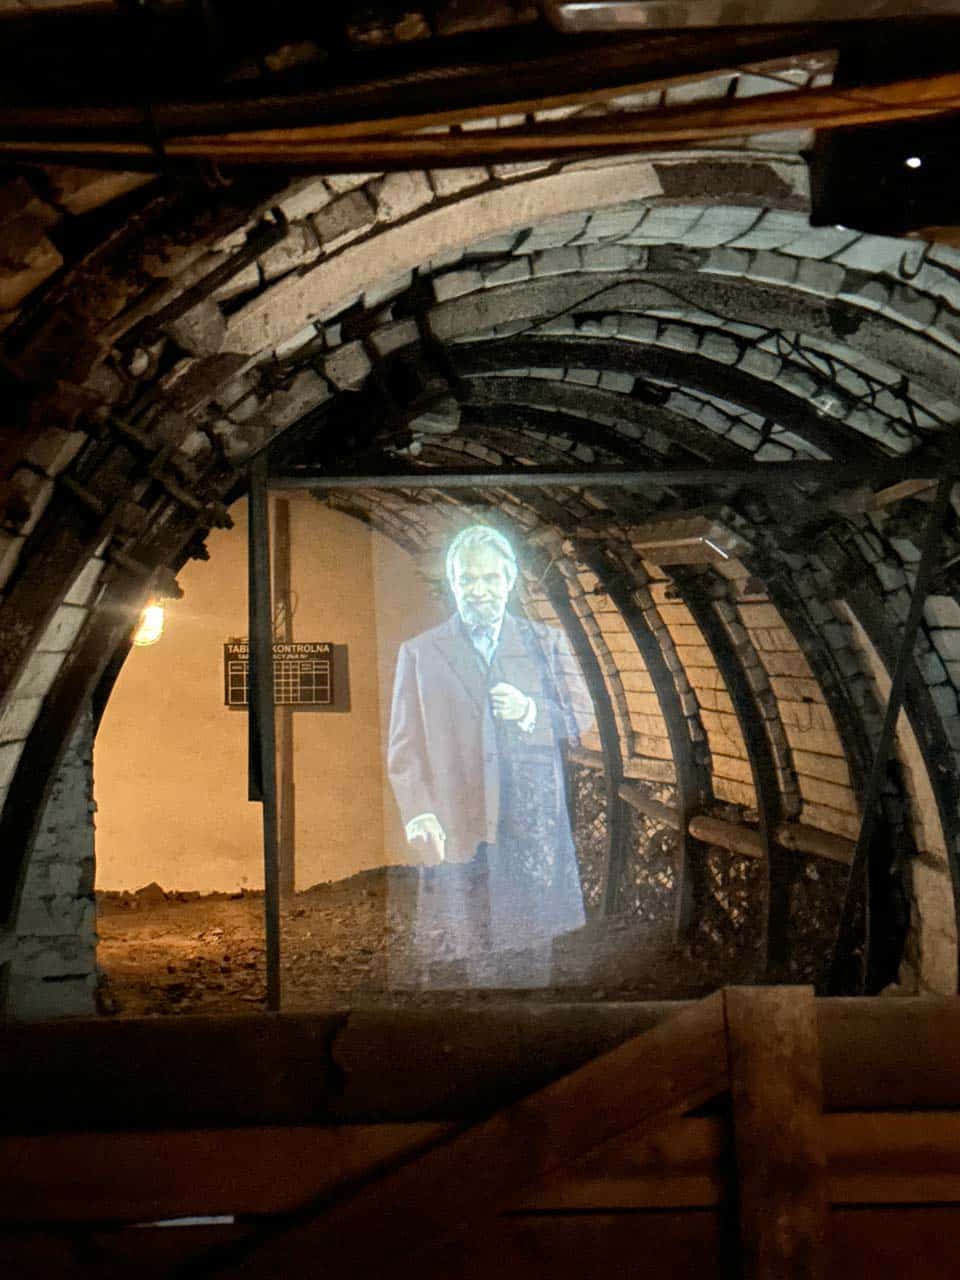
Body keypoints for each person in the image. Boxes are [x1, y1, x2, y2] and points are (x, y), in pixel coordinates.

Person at [387, 524, 593, 973]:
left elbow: (582, 717)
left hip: (529, 825)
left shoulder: (545, 644)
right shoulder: (420, 655)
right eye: (468, 580)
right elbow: (404, 749)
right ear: (453, 584)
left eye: (490, 579)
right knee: (467, 951)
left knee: (531, 953)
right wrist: (419, 813)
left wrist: (529, 712)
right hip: (460, 824)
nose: (479, 590)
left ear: (510, 580)